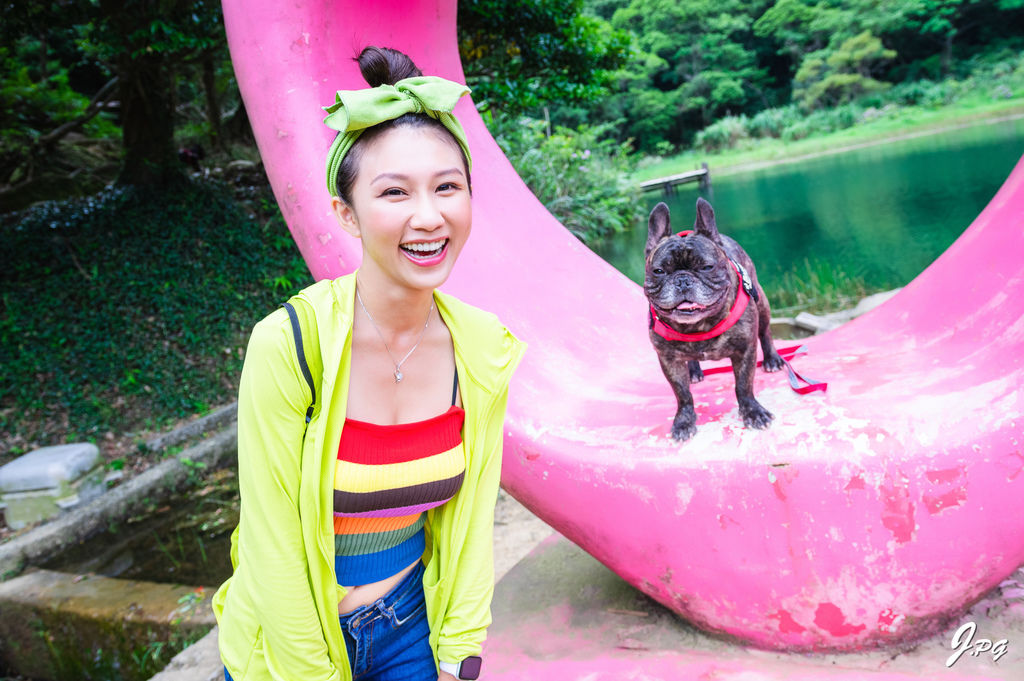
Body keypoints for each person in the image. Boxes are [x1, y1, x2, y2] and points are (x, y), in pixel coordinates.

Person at [213, 46, 526, 681]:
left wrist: (459, 649)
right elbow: (271, 540)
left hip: (409, 626)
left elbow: (470, 523)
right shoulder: (290, 344)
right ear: (346, 214)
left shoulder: (482, 348)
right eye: (394, 193)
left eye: (448, 187)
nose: (429, 216)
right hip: (288, 645)